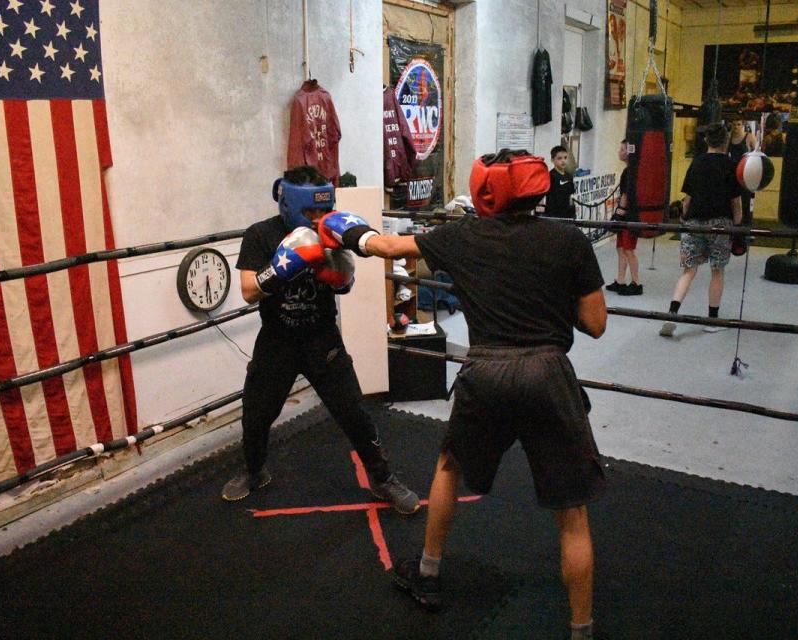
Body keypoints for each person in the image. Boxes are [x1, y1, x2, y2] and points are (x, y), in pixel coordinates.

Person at [319, 149, 608, 640]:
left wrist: (344, 228)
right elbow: (596, 325)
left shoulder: (461, 235)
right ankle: (581, 631)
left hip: (487, 371)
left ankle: (429, 574)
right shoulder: (568, 240)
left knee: (450, 466)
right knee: (571, 513)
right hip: (547, 373)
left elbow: (388, 249)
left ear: (484, 190)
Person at [220, 165, 419, 514]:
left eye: (323, 210)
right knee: (256, 414)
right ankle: (253, 471)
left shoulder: (332, 229)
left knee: (354, 413)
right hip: (277, 340)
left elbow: (344, 284)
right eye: (310, 211)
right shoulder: (260, 235)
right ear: (288, 203)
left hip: (321, 339)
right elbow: (250, 291)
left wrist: (335, 273)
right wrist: (284, 267)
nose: (317, 218)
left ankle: (383, 478)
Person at [660, 123, 743, 337]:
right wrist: (738, 224)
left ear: (706, 140)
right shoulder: (731, 165)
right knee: (717, 270)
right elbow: (736, 202)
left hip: (694, 222)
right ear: (726, 141)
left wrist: (684, 217)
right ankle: (712, 320)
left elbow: (688, 200)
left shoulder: (696, 163)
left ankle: (672, 314)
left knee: (688, 270)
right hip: (720, 223)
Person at [605, 139, 643, 295]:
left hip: (630, 216)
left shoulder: (631, 171)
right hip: (626, 214)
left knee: (628, 250)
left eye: (622, 149)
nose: (619, 152)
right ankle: (620, 280)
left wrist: (619, 212)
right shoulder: (628, 170)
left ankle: (636, 283)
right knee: (620, 248)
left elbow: (627, 194)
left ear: (629, 152)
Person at [728, 118, 757, 256]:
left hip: (745, 175)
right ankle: (733, 233)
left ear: (744, 125)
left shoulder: (749, 138)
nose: (736, 127)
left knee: (745, 204)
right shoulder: (728, 138)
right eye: (734, 124)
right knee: (732, 204)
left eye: (738, 124)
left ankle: (746, 233)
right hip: (733, 175)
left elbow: (757, 155)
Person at [543, 145, 577, 219]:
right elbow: (545, 197)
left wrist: (573, 212)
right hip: (554, 215)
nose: (563, 161)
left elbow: (570, 196)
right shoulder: (550, 176)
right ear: (552, 160)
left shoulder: (569, 176)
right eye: (559, 158)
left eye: (565, 158)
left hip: (567, 215)